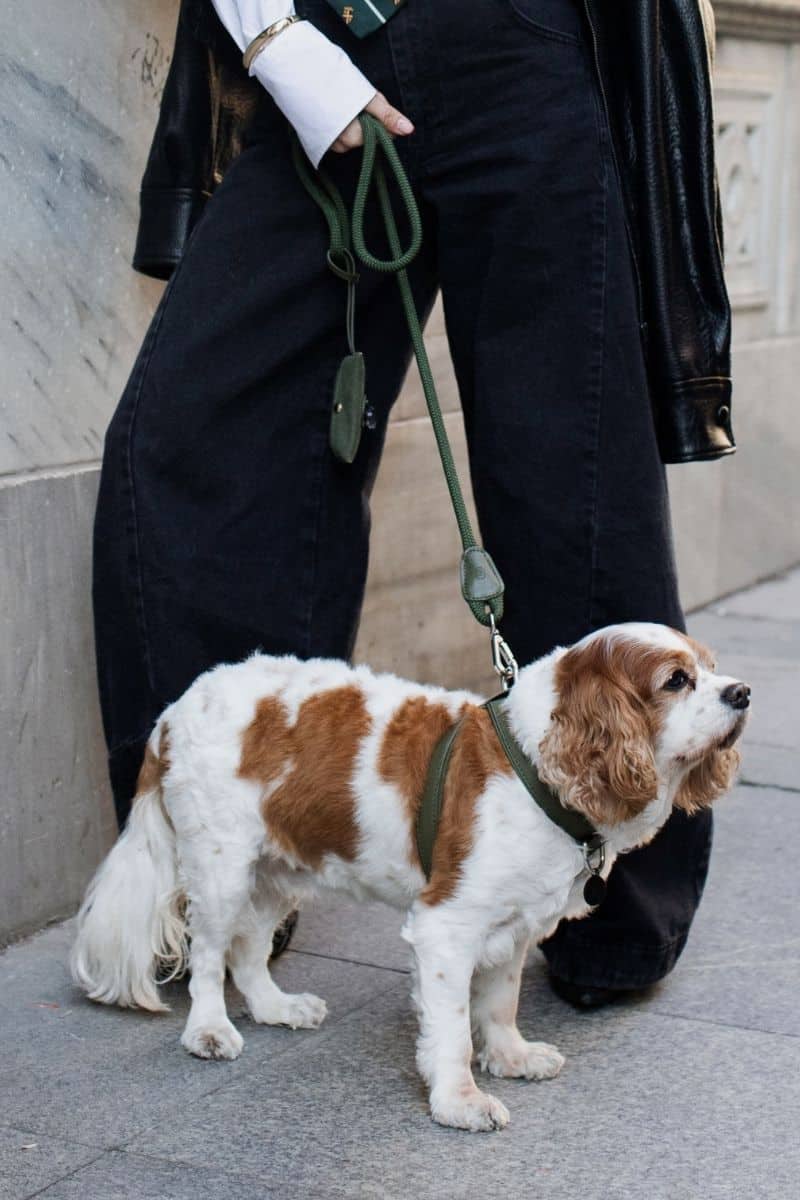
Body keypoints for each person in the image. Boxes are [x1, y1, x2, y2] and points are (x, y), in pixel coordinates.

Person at [92, 0, 733, 1001]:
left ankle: (599, 894)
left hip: (529, 49)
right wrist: (276, 42)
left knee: (567, 478)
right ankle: (216, 871)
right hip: (330, 38)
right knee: (193, 440)